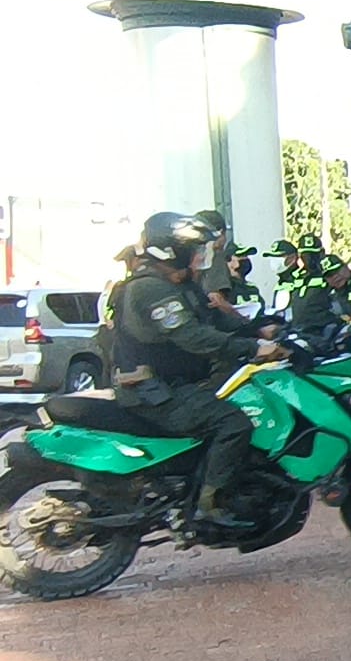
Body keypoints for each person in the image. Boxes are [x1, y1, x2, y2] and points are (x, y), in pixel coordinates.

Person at [109, 213, 287, 529]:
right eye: (193, 250)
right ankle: (210, 505)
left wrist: (262, 330)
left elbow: (214, 320)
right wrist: (252, 349)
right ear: (170, 251)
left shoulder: (179, 284)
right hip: (155, 392)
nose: (199, 257)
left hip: (174, 385)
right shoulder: (150, 289)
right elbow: (191, 336)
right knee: (232, 422)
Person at [193, 208, 241, 320]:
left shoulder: (188, 255)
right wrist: (242, 319)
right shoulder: (214, 255)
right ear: (220, 233)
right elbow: (217, 299)